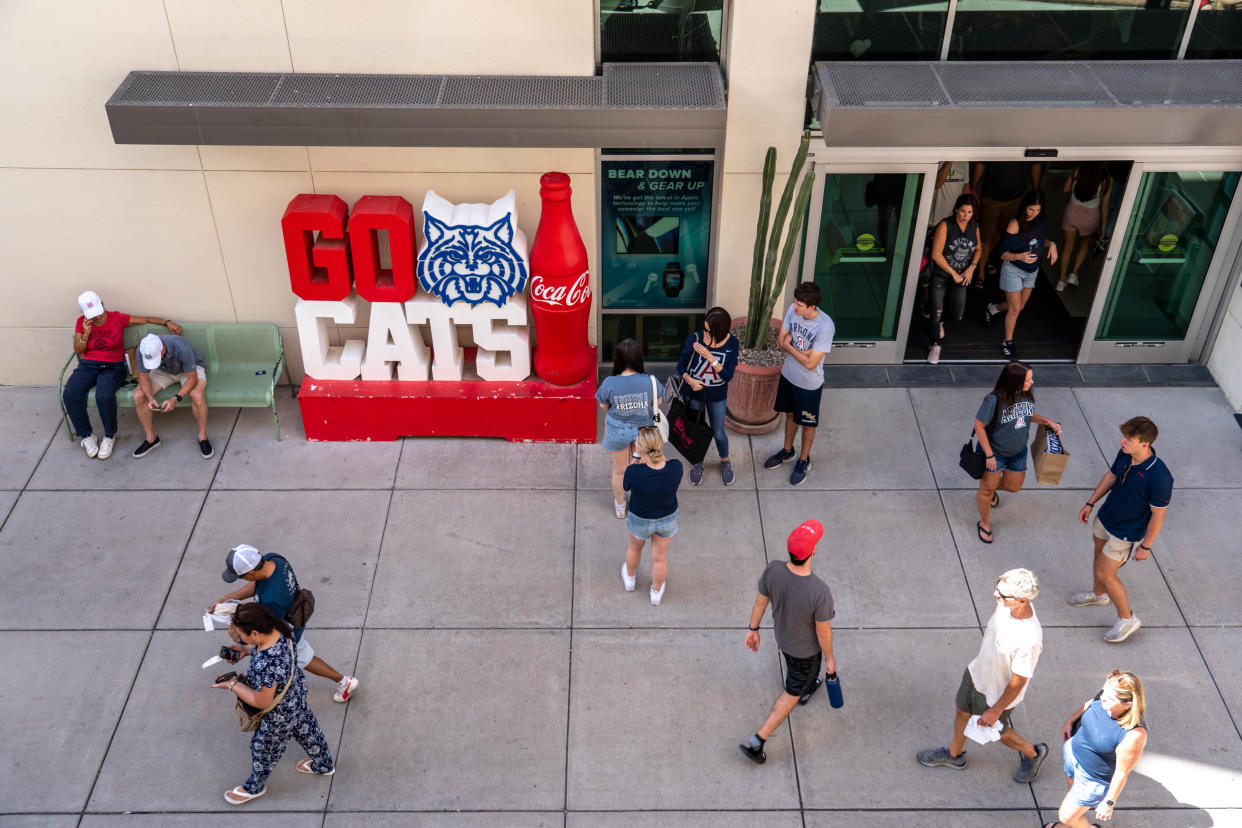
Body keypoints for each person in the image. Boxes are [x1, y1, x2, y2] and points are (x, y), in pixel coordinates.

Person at [917, 568, 1048, 784]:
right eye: (998, 587)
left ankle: (1033, 753)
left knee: (998, 731)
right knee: (961, 711)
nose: (996, 595)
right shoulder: (1008, 604)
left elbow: (1019, 680)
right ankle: (954, 755)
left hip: (995, 694)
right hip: (976, 673)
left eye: (1003, 594)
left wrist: (996, 710)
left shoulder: (1028, 639)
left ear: (1023, 600)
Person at [212, 602, 335, 805]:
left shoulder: (267, 665)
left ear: (255, 633)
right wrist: (246, 649)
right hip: (295, 694)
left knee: (263, 748)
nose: (242, 639)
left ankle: (254, 787)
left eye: (243, 636)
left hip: (279, 713)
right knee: (306, 728)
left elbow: (261, 701)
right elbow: (267, 647)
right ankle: (324, 764)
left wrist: (232, 684)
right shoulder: (282, 629)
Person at [739, 520, 836, 764]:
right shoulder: (819, 591)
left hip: (783, 640)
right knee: (794, 689)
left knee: (799, 674)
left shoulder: (773, 570)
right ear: (812, 552)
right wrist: (830, 660)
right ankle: (758, 740)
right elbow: (823, 633)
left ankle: (806, 686)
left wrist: (753, 629)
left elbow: (760, 602)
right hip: (806, 652)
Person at [211, 544, 360, 703]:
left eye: (241, 576)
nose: (242, 580)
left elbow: (264, 633)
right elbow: (256, 583)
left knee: (304, 658)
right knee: (303, 657)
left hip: (288, 631)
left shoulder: (271, 600)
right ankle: (343, 681)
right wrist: (227, 598)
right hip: (294, 613)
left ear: (252, 572)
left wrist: (235, 630)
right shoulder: (273, 559)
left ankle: (344, 682)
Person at [1069, 416, 1172, 644]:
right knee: (1097, 556)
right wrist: (1090, 503)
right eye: (1124, 436)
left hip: (1125, 533)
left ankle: (1127, 619)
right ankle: (1098, 595)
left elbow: (1158, 516)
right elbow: (1112, 475)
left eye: (1129, 439)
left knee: (1107, 572)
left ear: (1145, 444)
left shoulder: (1160, 477)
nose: (1122, 441)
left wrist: (1146, 546)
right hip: (1106, 518)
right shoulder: (1126, 453)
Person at [63, 290, 182, 460]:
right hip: (88, 365)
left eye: (98, 312)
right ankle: (87, 436)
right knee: (70, 394)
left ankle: (109, 436)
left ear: (102, 304)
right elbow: (78, 350)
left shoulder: (116, 318)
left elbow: (146, 319)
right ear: (83, 312)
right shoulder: (81, 322)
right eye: (91, 314)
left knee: (104, 395)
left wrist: (167, 322)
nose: (96, 318)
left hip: (113, 366)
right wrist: (85, 335)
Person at [973, 362, 1062, 544]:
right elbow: (979, 427)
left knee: (1014, 487)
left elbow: (1028, 413)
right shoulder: (993, 400)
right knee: (986, 490)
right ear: (1014, 381)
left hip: (1017, 451)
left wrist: (1047, 421)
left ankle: (988, 490)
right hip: (994, 453)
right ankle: (985, 521)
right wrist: (989, 455)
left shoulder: (1026, 396)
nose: (1032, 382)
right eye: (1028, 379)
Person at [1048, 670, 1148, 827]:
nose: (1102, 697)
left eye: (1110, 697)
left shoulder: (1133, 734)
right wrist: (1071, 719)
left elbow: (1122, 773)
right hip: (1073, 755)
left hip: (1092, 778)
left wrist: (1109, 802)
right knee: (1073, 794)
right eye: (1104, 692)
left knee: (1066, 817)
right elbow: (1090, 704)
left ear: (1128, 705)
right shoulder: (1103, 700)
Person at [763, 282, 835, 486]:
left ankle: (804, 460)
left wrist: (790, 346)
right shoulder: (793, 311)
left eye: (799, 305)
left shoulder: (825, 326)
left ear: (812, 307)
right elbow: (780, 342)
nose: (795, 308)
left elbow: (812, 364)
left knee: (808, 423)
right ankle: (788, 451)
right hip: (789, 376)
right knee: (790, 415)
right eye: (795, 303)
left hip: (809, 385)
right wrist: (800, 351)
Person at [984, 190, 1058, 360]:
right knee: (1015, 308)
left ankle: (992, 308)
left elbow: (1040, 239)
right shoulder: (1014, 224)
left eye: (1038, 210)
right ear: (1024, 206)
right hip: (1013, 270)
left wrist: (1051, 244)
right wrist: (1020, 256)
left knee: (1018, 307)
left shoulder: (1041, 220)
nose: (1034, 213)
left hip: (1032, 271)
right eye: (1031, 209)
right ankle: (1007, 343)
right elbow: (1002, 254)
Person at [675, 306, 739, 486]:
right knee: (694, 431)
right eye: (704, 329)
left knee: (718, 433)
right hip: (694, 395)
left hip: (717, 396)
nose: (705, 333)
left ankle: (725, 461)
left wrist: (710, 357)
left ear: (721, 330)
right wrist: (690, 381)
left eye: (709, 331)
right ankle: (697, 462)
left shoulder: (732, 344)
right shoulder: (694, 339)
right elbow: (680, 367)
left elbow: (727, 376)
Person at [596, 338, 660, 519]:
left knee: (619, 471)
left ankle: (620, 505)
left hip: (617, 430)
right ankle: (641, 502)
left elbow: (603, 406)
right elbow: (658, 402)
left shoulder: (609, 382)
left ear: (618, 359)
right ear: (639, 358)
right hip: (643, 430)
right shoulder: (650, 381)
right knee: (643, 468)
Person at [620, 426, 683, 605]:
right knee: (660, 558)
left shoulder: (635, 472)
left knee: (634, 548)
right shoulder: (676, 468)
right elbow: (664, 463)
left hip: (640, 519)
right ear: (660, 445)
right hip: (667, 519)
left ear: (640, 447)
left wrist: (636, 456)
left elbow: (626, 485)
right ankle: (656, 593)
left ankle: (630, 580)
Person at [131, 332, 213, 459]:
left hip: (190, 370)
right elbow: (143, 377)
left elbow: (192, 378)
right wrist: (150, 397)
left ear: (163, 348)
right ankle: (152, 439)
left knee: (196, 395)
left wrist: (175, 399)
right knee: (138, 395)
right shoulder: (143, 348)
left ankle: (203, 437)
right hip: (163, 371)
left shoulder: (181, 346)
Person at [926, 194, 981, 364]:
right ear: (956, 210)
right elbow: (936, 255)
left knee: (957, 314)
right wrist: (954, 273)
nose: (965, 215)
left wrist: (972, 267)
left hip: (962, 277)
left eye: (970, 212)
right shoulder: (946, 225)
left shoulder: (974, 227)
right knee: (935, 312)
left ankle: (941, 322)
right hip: (942, 276)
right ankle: (935, 345)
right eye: (963, 211)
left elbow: (979, 249)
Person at [972, 162, 1041, 288]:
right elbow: (980, 164)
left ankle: (985, 258)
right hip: (992, 198)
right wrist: (972, 188)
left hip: (1016, 198)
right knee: (985, 236)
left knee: (1002, 230)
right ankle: (980, 273)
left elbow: (1036, 163)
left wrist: (1036, 192)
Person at [1057, 163, 1112, 293]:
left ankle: (1061, 280)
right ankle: (1073, 274)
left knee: (1067, 247)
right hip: (1091, 217)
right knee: (1084, 244)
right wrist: (1104, 226)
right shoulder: (1107, 179)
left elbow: (1065, 189)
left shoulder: (1077, 171)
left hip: (1072, 213)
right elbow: (1105, 204)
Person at [929, 161, 972, 228]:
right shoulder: (938, 160)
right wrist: (949, 161)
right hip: (935, 220)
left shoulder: (964, 162)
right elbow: (938, 184)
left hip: (954, 220)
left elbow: (965, 186)